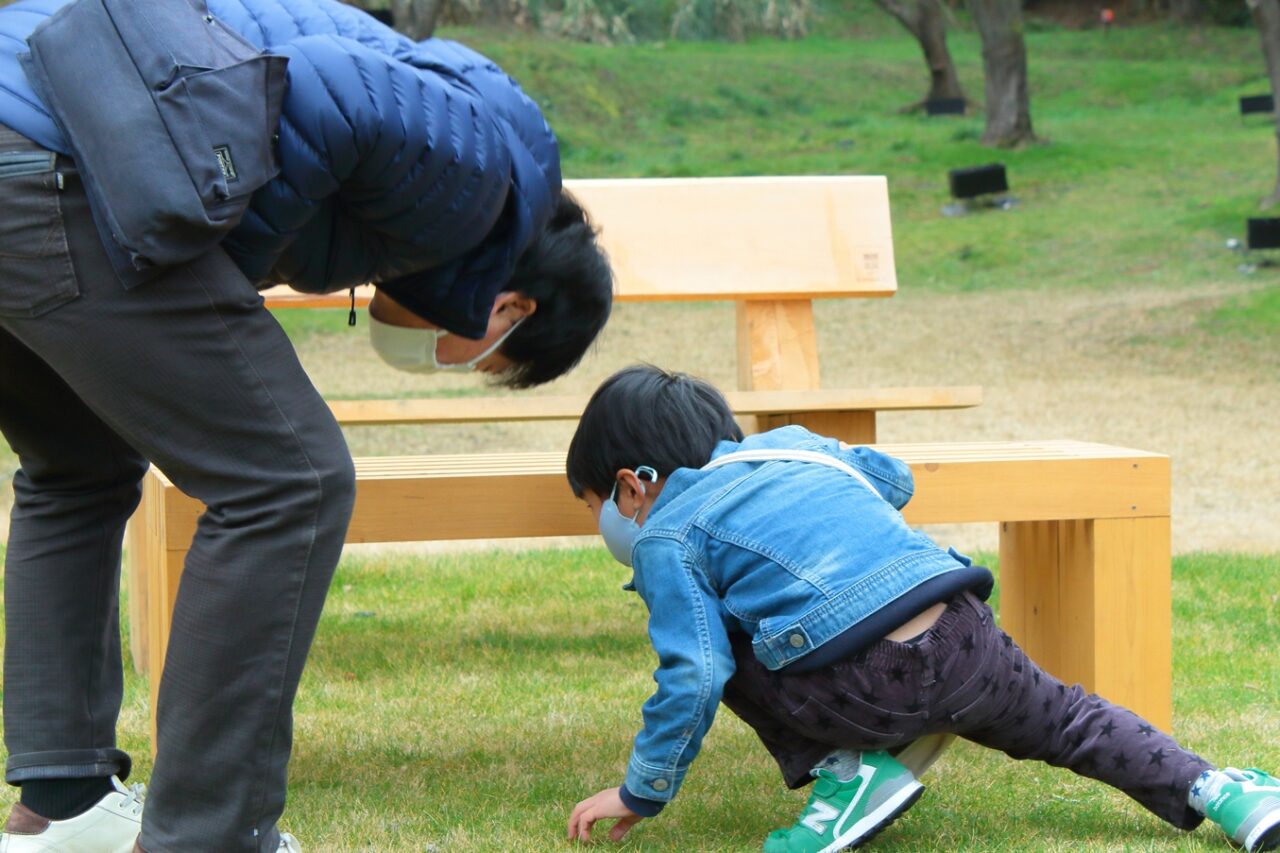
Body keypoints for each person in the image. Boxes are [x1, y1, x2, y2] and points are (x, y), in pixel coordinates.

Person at [0, 0, 612, 849]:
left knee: (79, 465)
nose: (451, 357)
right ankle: (210, 835)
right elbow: (324, 92)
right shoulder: (481, 184)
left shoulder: (469, 138)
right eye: (484, 356)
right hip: (62, 152)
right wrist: (221, 260)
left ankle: (58, 810)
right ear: (510, 307)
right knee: (291, 480)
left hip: (27, 123)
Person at [562, 365, 1280, 853]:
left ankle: (848, 775)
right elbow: (893, 479)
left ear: (632, 487)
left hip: (852, 685)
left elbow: (695, 674)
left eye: (599, 506)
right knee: (1068, 717)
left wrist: (641, 792)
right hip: (966, 636)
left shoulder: (664, 534)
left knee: (719, 638)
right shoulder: (797, 449)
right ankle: (1220, 789)